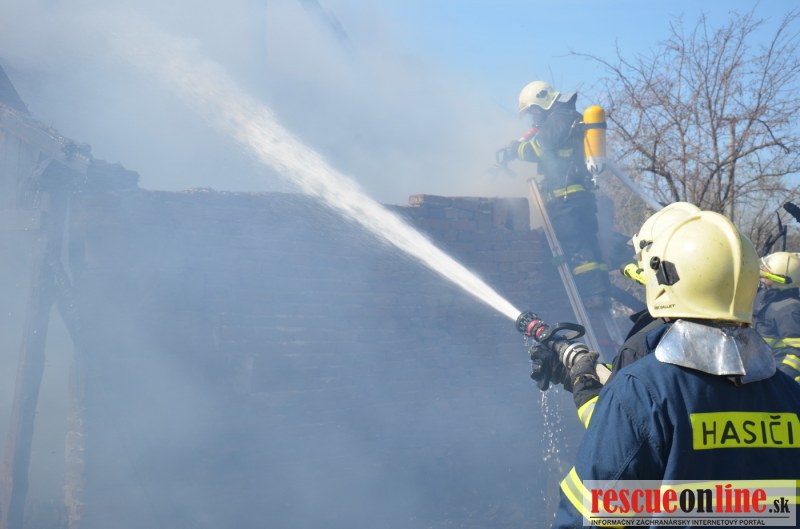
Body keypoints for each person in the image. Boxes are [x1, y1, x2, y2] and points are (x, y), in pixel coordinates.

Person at [550, 208, 800, 527]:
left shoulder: (640, 392)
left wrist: (586, 388)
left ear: (665, 279)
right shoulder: (791, 396)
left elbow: (590, 517)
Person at [530, 202, 701, 428]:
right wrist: (573, 371)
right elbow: (633, 384)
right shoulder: (734, 344)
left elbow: (622, 427)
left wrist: (584, 386)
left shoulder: (654, 340)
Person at [501, 81, 609, 308]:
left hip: (565, 198)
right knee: (589, 243)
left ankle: (592, 295)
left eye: (533, 111)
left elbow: (538, 150)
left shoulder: (558, 119)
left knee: (575, 246)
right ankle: (601, 291)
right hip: (581, 197)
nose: (534, 117)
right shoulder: (570, 117)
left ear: (542, 103)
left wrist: (515, 149)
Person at [753, 251, 800, 383]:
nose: (762, 273)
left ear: (780, 279)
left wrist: (782, 381)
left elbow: (797, 351)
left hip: (784, 381)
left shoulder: (789, 310)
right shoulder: (764, 298)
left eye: (766, 271)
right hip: (763, 373)